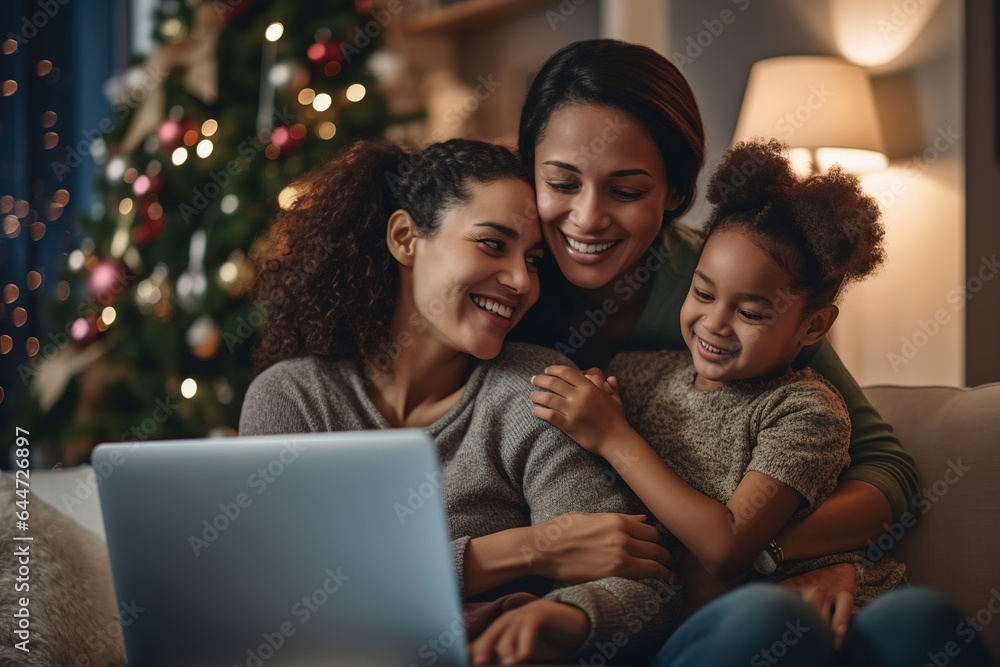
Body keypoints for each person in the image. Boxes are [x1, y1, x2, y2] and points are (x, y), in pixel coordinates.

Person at [510, 38, 918, 627]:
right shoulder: (506, 283)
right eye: (562, 182)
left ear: (675, 193)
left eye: (626, 191)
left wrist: (783, 556)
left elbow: (888, 471)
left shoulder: (726, 284)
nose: (589, 216)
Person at [239, 138, 678, 665]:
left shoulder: (538, 390)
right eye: (493, 244)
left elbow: (641, 585)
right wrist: (527, 548)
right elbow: (281, 597)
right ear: (405, 239)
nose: (521, 281)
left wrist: (563, 619)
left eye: (534, 260)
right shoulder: (293, 398)